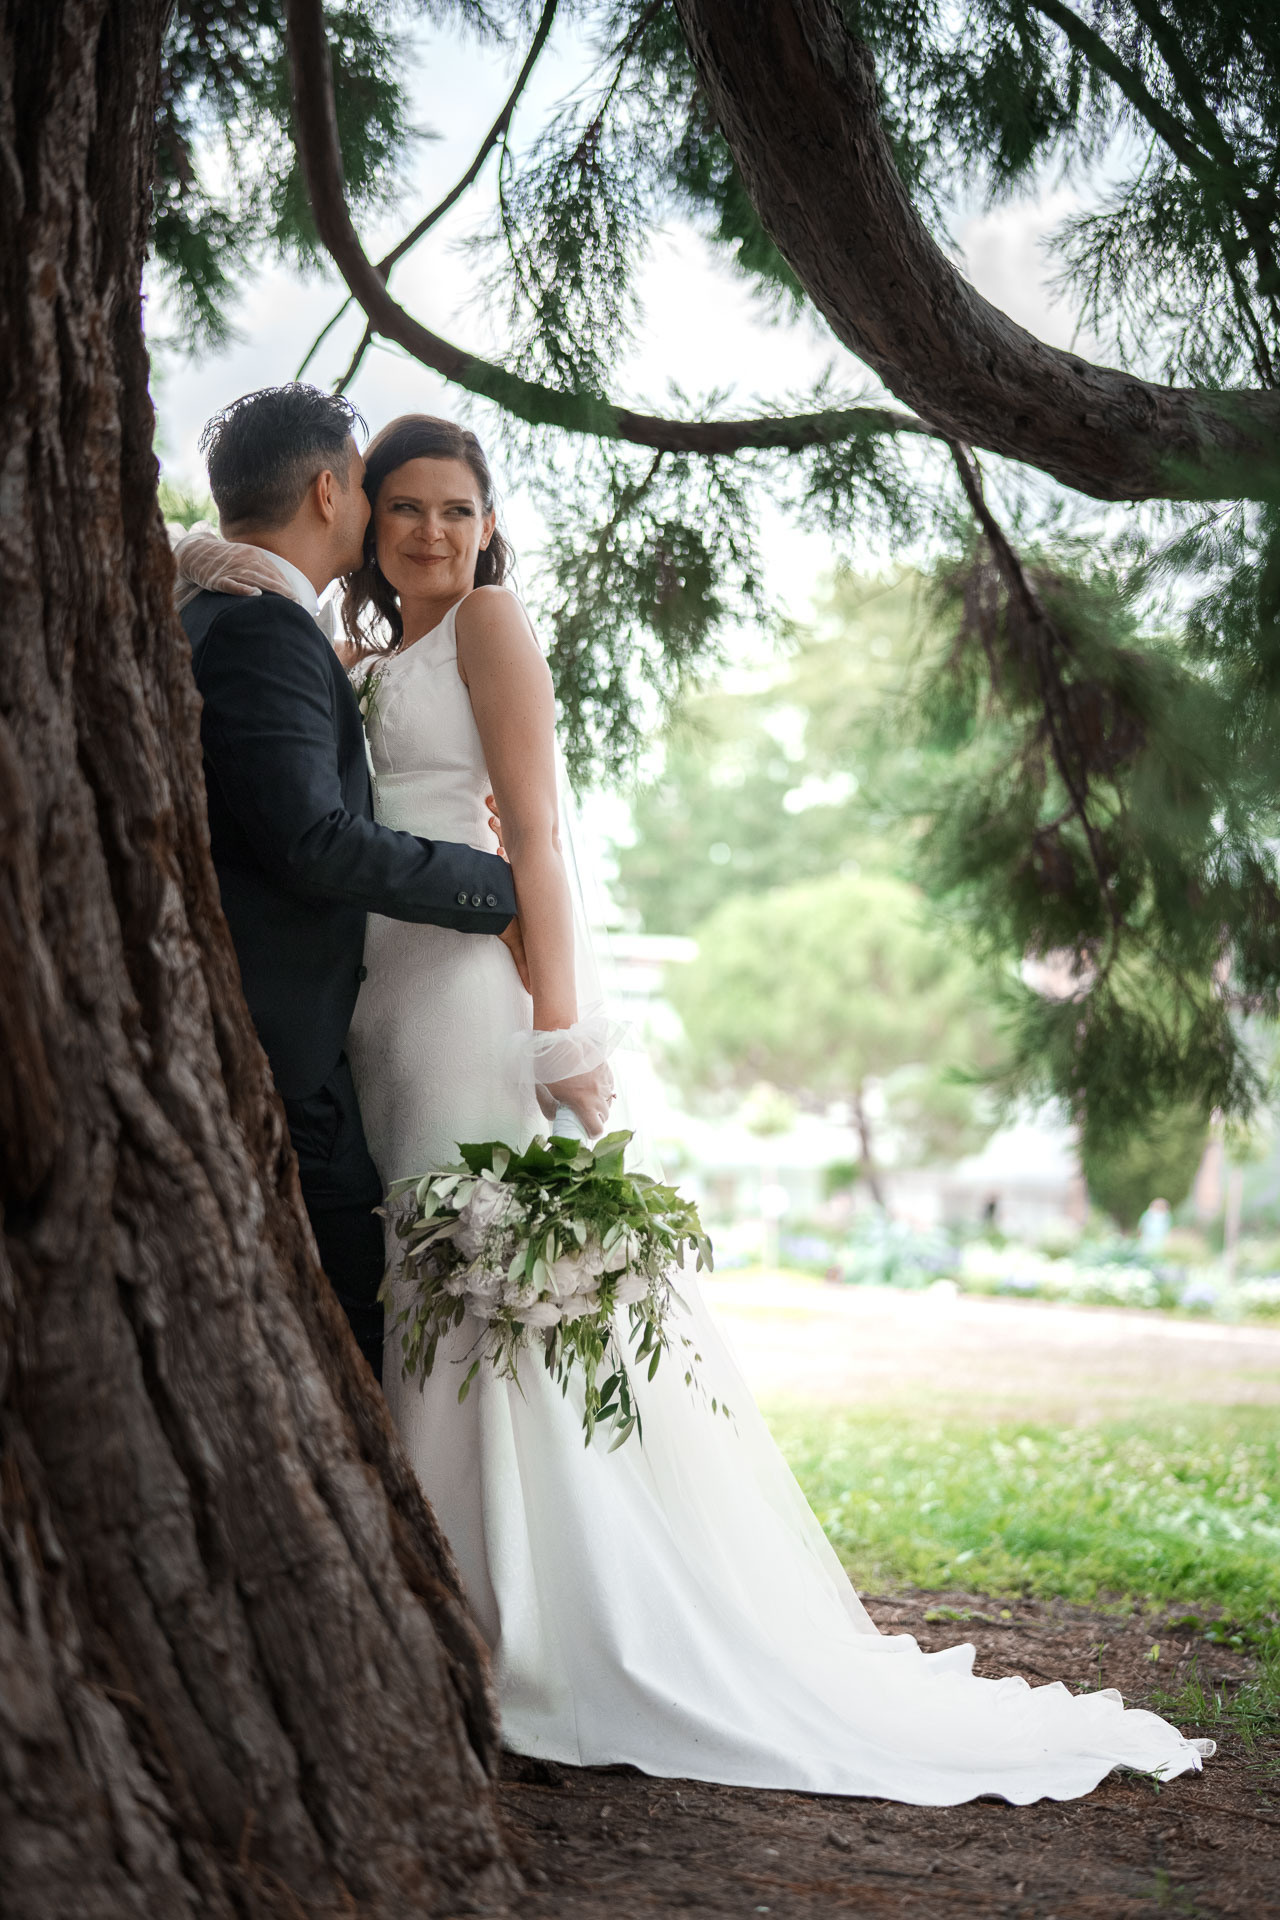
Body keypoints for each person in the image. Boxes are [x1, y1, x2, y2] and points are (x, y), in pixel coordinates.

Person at [175, 411, 1211, 1807]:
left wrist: (560, 1029)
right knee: (421, 1271)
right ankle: (455, 1581)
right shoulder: (346, 654)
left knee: (484, 1268)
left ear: (490, 526)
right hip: (377, 993)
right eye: (403, 505)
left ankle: (548, 1619)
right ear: (352, 511)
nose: (428, 531)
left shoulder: (491, 626)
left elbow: (537, 837)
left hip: (467, 985)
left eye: (458, 509)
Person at [179, 386, 527, 1378]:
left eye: (455, 509)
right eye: (388, 497)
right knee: (359, 1309)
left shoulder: (241, 613)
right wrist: (493, 888)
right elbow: (312, 838)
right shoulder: (269, 629)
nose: (405, 522)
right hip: (298, 1026)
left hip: (382, 1002)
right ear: (332, 494)